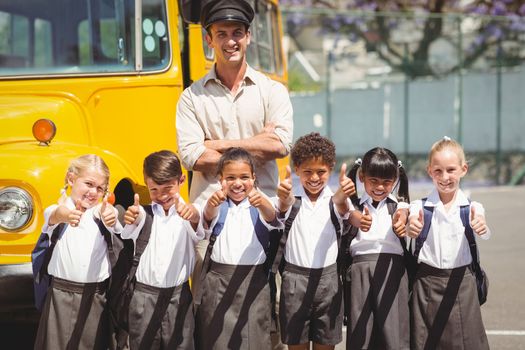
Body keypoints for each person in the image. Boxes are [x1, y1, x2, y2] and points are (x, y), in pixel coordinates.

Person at [275, 132, 356, 350]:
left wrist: (343, 197)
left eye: (321, 172)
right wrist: (283, 199)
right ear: (297, 170)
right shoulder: (291, 200)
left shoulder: (336, 200)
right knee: (296, 345)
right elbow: (281, 210)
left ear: (330, 169)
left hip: (328, 283)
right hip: (295, 282)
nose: (314, 178)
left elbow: (349, 213)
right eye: (307, 172)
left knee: (325, 345)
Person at [408, 136, 490, 349]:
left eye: (451, 170)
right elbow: (410, 221)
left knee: (466, 343)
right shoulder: (419, 206)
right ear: (429, 171)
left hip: (461, 283)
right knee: (425, 343)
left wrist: (481, 226)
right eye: (438, 171)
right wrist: (411, 227)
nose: (444, 177)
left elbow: (482, 224)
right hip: (426, 285)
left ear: (464, 169)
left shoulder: (472, 207)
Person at [195, 147, 281, 350]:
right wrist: (211, 205)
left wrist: (263, 204)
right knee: (216, 340)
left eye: (244, 177)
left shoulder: (262, 204)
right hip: (218, 283)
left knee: (255, 340)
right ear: (220, 179)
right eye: (230, 177)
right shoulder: (216, 204)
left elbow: (273, 218)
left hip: (254, 285)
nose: (237, 183)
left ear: (254, 177)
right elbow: (206, 218)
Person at [34, 154, 121, 350]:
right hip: (60, 294)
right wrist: (66, 215)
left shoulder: (102, 213)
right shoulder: (56, 210)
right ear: (71, 179)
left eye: (100, 188)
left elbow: (113, 218)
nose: (93, 192)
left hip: (95, 296)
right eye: (89, 184)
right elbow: (55, 215)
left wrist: (111, 217)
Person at [121, 150, 203, 350]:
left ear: (181, 180)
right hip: (144, 297)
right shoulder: (144, 213)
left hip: (178, 297)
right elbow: (133, 222)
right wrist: (132, 215)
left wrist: (191, 215)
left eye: (168, 187)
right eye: (154, 190)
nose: (161, 195)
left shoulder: (190, 213)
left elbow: (197, 223)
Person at [343, 147, 411, 350]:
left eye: (387, 182)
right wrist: (355, 218)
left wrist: (402, 223)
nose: (380, 187)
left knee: (394, 334)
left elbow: (406, 217)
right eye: (374, 181)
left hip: (393, 272)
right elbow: (343, 211)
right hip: (359, 274)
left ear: (396, 179)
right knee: (360, 335)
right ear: (362, 176)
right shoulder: (351, 206)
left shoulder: (400, 206)